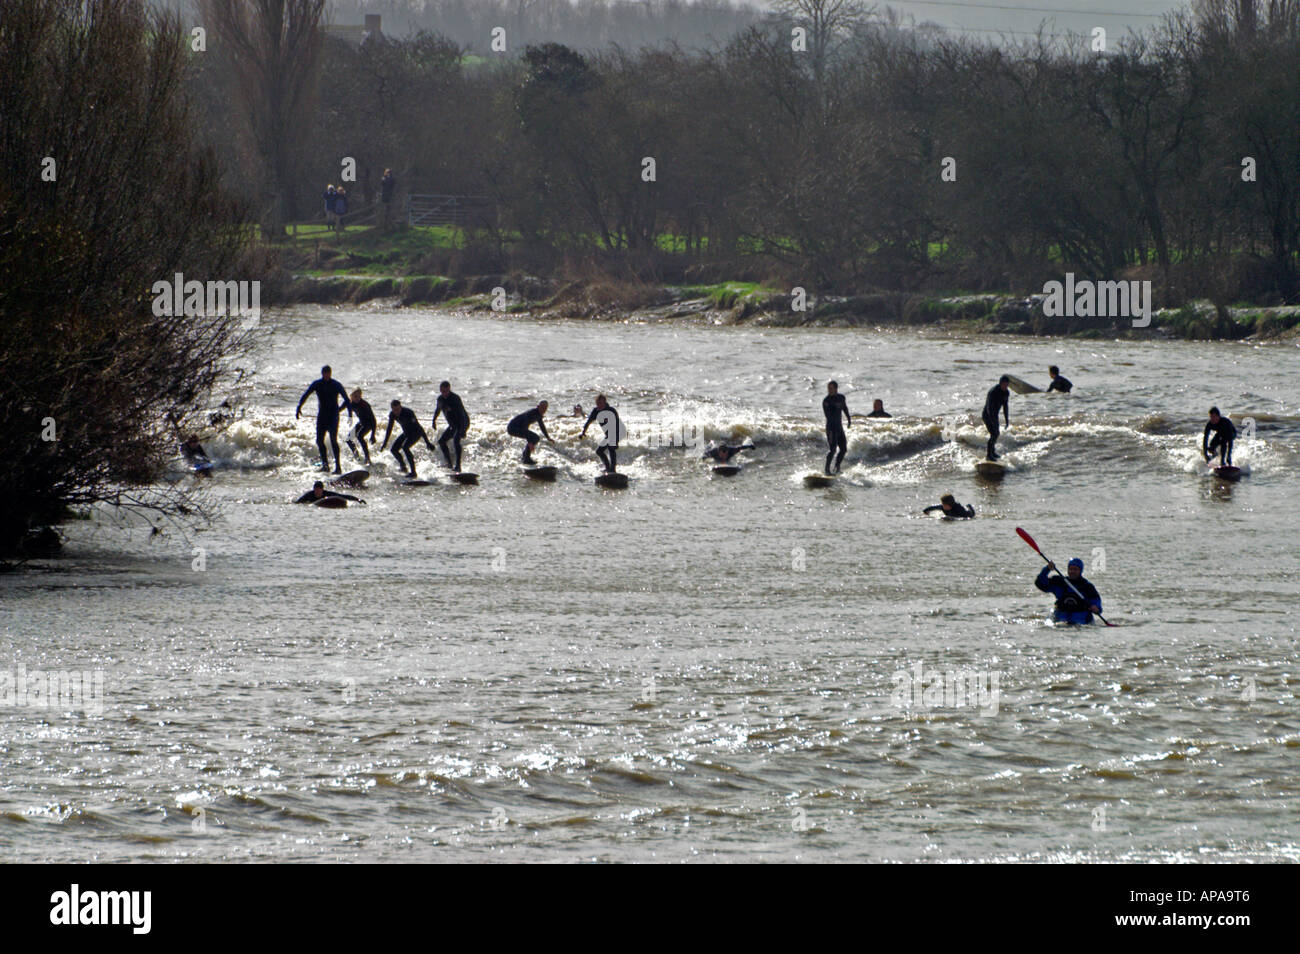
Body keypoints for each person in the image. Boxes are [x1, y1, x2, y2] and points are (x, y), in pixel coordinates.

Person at [296, 365, 352, 474]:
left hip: (333, 416)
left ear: (330, 374)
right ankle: (325, 465)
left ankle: (338, 467)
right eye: (325, 373)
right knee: (319, 440)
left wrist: (350, 414)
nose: (327, 375)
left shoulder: (336, 384)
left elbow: (346, 398)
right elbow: (306, 394)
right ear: (322, 374)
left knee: (333, 440)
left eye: (328, 373)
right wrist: (299, 407)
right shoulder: (317, 384)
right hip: (322, 416)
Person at [1035, 557, 1102, 625]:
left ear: (1080, 571)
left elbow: (1096, 600)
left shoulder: (1087, 586)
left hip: (1080, 617)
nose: (1072, 571)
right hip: (1061, 616)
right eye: (1070, 569)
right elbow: (1040, 583)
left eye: (1075, 569)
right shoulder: (1059, 582)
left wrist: (1096, 607)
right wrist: (1047, 569)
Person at [379, 399, 434, 478]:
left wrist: (427, 442)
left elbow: (419, 427)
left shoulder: (408, 413)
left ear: (400, 407)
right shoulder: (392, 414)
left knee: (405, 447)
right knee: (393, 450)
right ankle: (403, 467)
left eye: (398, 409)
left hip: (416, 432)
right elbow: (389, 429)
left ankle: (413, 472)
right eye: (394, 410)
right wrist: (385, 443)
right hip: (406, 433)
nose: (396, 412)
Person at [432, 380, 470, 472]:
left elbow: (461, 414)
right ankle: (449, 464)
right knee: (441, 442)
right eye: (442, 391)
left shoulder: (455, 398)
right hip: (453, 425)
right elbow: (438, 410)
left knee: (456, 440)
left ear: (449, 389)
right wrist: (434, 420)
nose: (444, 393)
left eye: (446, 391)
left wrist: (463, 430)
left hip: (462, 422)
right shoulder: (440, 399)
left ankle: (458, 466)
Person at [578, 394, 622, 474]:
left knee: (611, 447)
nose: (599, 405)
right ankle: (608, 468)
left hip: (616, 432)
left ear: (605, 402)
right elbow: (588, 422)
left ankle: (613, 469)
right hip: (608, 434)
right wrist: (583, 433)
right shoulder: (596, 411)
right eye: (598, 403)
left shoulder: (611, 410)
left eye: (601, 403)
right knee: (599, 451)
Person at [822, 381, 851, 474]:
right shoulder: (826, 401)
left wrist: (849, 419)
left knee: (844, 449)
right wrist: (834, 430)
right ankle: (827, 469)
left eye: (831, 388)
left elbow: (844, 408)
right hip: (831, 428)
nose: (829, 390)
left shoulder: (841, 398)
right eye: (828, 388)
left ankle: (837, 466)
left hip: (839, 427)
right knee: (833, 450)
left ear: (836, 388)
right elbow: (828, 416)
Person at [982, 375, 1011, 461]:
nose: (1005, 387)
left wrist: (1006, 420)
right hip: (987, 415)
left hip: (995, 415)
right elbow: (988, 407)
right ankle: (988, 455)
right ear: (1000, 383)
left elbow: (1005, 407)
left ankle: (992, 452)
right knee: (994, 434)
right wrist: (992, 420)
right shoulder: (993, 392)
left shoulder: (1006, 393)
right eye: (1004, 385)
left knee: (996, 434)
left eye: (1007, 385)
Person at [346, 389, 377, 465]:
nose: (357, 398)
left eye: (359, 397)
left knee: (360, 436)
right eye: (355, 396)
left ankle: (367, 458)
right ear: (351, 397)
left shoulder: (364, 404)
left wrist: (373, 435)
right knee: (349, 439)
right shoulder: (350, 403)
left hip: (369, 423)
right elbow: (341, 409)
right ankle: (356, 455)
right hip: (361, 423)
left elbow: (373, 420)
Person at [295, 480, 365, 505]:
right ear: (314, 489)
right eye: (316, 489)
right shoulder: (309, 495)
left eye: (319, 489)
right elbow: (298, 502)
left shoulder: (327, 493)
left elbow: (343, 496)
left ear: (322, 489)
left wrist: (358, 499)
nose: (318, 491)